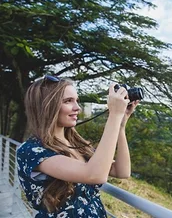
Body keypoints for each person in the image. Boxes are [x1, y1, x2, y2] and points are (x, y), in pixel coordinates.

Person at [16, 75, 139, 217]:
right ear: (46, 105)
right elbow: (94, 175)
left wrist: (121, 125)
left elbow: (122, 171)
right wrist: (114, 115)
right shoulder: (32, 150)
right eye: (68, 101)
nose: (77, 108)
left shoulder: (76, 145)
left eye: (77, 101)